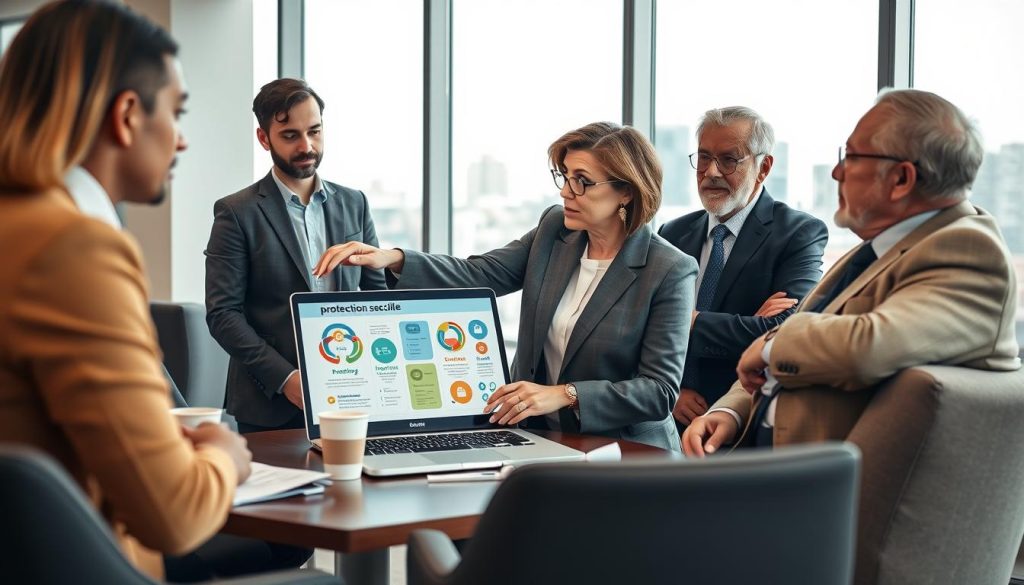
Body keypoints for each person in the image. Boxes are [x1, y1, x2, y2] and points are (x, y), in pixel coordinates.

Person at [0, 1, 251, 580]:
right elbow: (173, 514)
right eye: (177, 113)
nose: (183, 141)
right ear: (128, 115)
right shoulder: (72, 248)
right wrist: (223, 457)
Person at [314, 122, 697, 451]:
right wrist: (392, 258)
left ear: (626, 191)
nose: (566, 191)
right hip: (542, 439)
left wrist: (564, 394)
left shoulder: (669, 269)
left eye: (582, 182)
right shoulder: (554, 231)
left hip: (626, 452)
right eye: (564, 176)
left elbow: (658, 391)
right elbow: (479, 275)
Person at [683, 89, 1021, 457]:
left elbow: (869, 344)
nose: (836, 172)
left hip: (827, 475)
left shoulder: (968, 248)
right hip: (768, 454)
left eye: (853, 156)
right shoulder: (873, 252)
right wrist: (729, 411)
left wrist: (770, 343)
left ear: (902, 179)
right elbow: (807, 334)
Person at [205, 78, 386, 434]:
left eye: (314, 131)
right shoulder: (236, 213)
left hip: (352, 396)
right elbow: (223, 314)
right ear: (264, 138)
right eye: (290, 135)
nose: (307, 146)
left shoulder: (355, 204)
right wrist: (286, 379)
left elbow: (377, 296)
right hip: (271, 405)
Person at [658, 107, 827, 428]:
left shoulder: (798, 232)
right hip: (668, 413)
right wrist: (673, 389)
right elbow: (643, 328)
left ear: (763, 167)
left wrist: (684, 318)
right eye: (704, 157)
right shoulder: (673, 233)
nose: (711, 172)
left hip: (743, 416)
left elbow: (782, 332)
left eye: (729, 160)